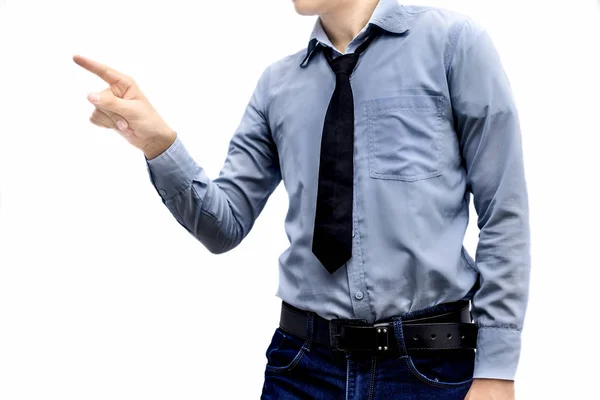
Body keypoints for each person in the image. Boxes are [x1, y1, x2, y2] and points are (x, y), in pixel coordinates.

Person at [73, 0, 531, 398]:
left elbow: (503, 211)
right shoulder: (277, 85)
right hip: (303, 369)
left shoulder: (454, 45)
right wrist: (157, 141)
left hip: (429, 369)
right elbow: (223, 225)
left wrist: (496, 370)